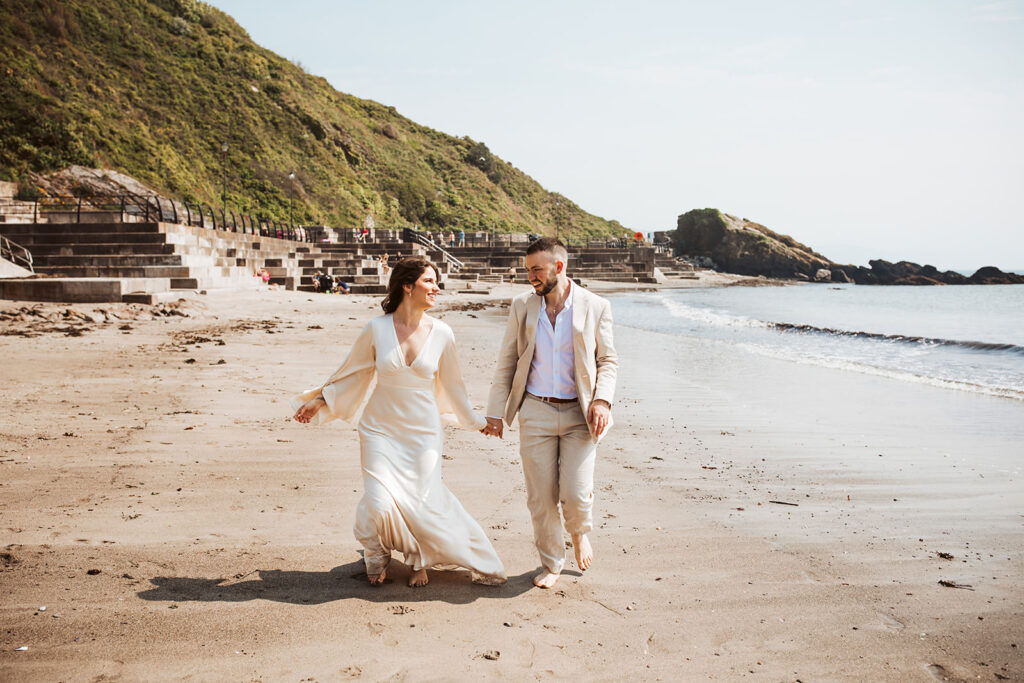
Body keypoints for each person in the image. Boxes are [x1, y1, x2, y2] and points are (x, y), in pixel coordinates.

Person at [292, 258, 506, 587]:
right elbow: (353, 372)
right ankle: (376, 548)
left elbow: (454, 388)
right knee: (379, 501)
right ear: (408, 286)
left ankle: (416, 557)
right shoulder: (377, 328)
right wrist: (322, 400)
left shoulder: (443, 334)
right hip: (380, 429)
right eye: (430, 281)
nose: (437, 288)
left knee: (422, 501)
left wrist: (478, 422)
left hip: (423, 433)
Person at [482, 237, 617, 589]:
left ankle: (579, 533)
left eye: (537, 270)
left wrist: (602, 400)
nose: (531, 277)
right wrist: (495, 413)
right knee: (540, 497)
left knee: (574, 492)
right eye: (527, 270)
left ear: (559, 267)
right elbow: (507, 363)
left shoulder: (596, 306)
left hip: (580, 415)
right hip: (536, 411)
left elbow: (608, 360)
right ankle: (552, 562)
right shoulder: (522, 307)